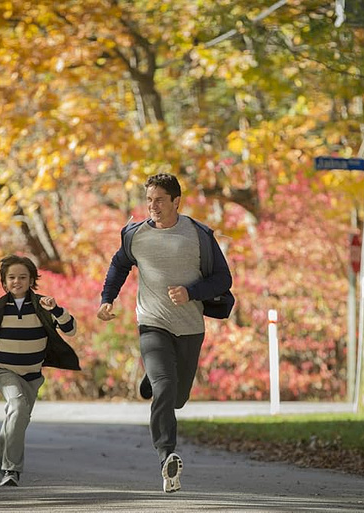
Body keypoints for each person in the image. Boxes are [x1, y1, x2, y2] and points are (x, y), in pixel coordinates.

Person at [97, 173, 233, 493]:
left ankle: (154, 378)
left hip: (189, 327)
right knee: (165, 387)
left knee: (178, 397)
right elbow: (119, 265)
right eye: (148, 200)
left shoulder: (198, 235)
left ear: (176, 201)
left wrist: (192, 292)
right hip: (152, 323)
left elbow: (223, 279)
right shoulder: (136, 235)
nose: (152, 206)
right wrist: (107, 299)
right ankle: (166, 455)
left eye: (159, 200)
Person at [0, 254, 80, 487]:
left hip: (33, 374)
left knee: (20, 419)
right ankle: (11, 470)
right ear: (5, 282)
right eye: (12, 277)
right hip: (5, 370)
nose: (17, 281)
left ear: (31, 280)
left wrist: (56, 309)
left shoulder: (42, 305)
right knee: (17, 407)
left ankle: (2, 444)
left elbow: (71, 330)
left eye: (23, 277)